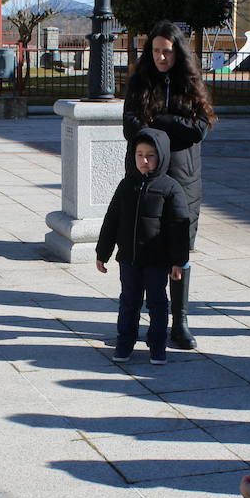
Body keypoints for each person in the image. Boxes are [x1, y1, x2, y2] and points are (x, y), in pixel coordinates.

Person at [122, 21, 216, 350]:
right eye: (156, 50)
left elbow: (199, 129)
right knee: (142, 249)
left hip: (183, 179)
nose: (161, 57)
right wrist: (165, 129)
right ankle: (137, 320)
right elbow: (131, 126)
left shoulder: (190, 84)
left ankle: (181, 321)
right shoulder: (140, 82)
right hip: (146, 179)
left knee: (179, 250)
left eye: (168, 51)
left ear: (178, 52)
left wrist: (159, 122)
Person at [95, 128, 191, 364]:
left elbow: (179, 227)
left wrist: (178, 260)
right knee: (128, 301)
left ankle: (157, 345)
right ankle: (125, 342)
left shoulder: (170, 188)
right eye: (139, 154)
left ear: (162, 157)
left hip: (157, 261)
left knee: (157, 303)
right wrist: (103, 252)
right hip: (128, 258)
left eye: (150, 155)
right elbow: (111, 220)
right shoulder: (126, 185)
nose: (144, 161)